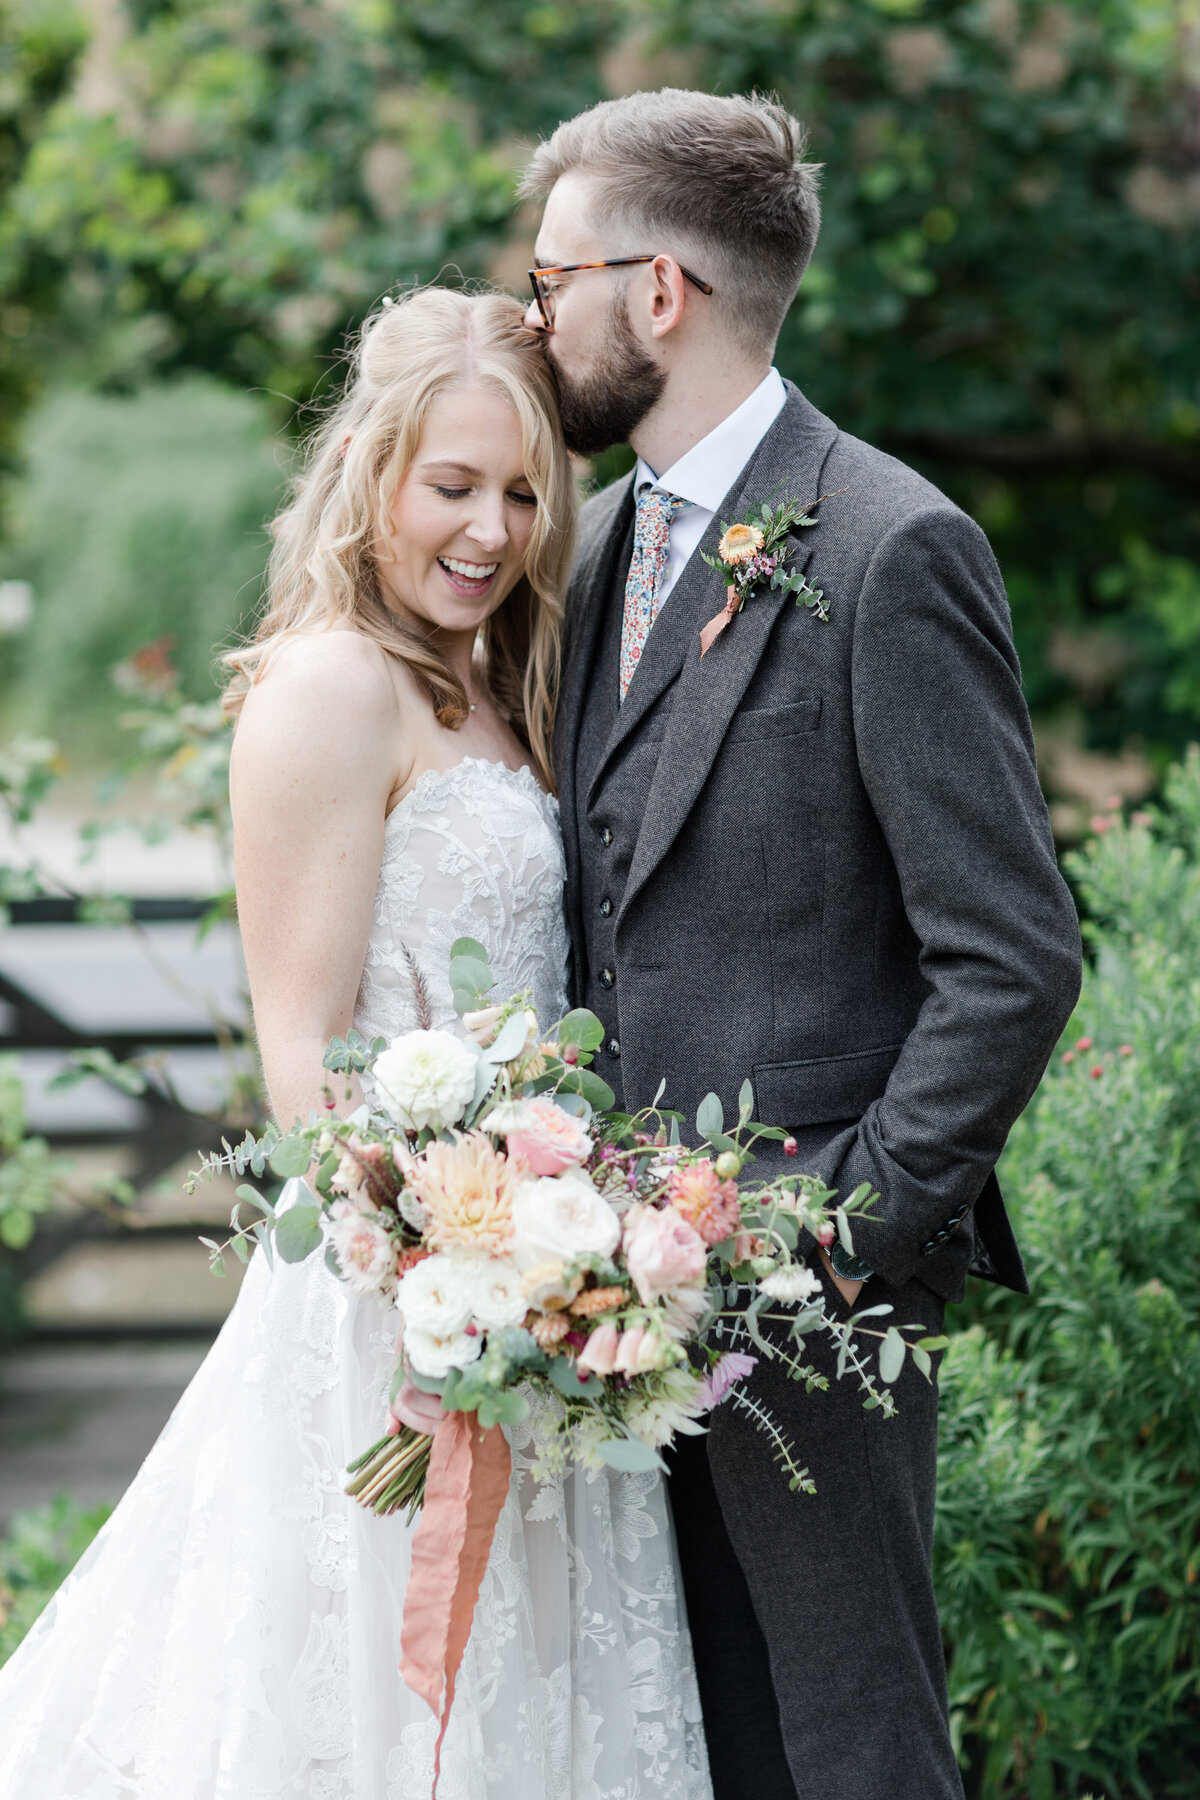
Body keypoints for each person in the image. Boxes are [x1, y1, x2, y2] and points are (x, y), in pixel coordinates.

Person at [0, 288, 712, 1800]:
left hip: (540, 1289)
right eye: (452, 485)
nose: (492, 528)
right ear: (372, 475)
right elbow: (299, 1042)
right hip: (403, 1305)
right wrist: (444, 1269)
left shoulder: (505, 690)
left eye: (523, 492)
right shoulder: (331, 686)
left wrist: (559, 1267)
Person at [521, 88, 1083, 1800]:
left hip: (811, 1320)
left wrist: (837, 1239)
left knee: (849, 1754)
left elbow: (1012, 952)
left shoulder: (895, 543)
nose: (532, 314)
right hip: (583, 1310)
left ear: (661, 294)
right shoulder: (595, 545)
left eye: (554, 279)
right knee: (675, 1749)